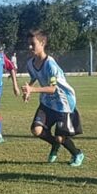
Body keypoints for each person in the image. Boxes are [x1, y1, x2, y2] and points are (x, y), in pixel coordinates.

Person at [21, 28, 84, 166]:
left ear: (43, 43)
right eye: (28, 44)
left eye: (33, 44)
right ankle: (55, 145)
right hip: (47, 102)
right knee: (36, 130)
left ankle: (77, 153)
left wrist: (33, 89)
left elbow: (53, 88)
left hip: (63, 103)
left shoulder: (50, 64)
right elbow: (34, 76)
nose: (30, 47)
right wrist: (28, 90)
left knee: (61, 137)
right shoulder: (30, 63)